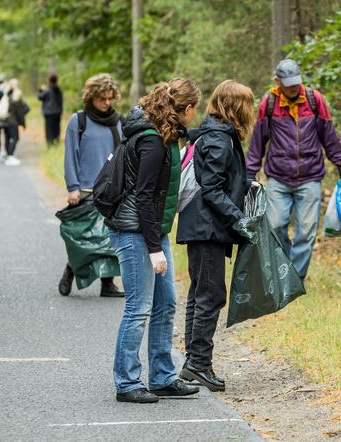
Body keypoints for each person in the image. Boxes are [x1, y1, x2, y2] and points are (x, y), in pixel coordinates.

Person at [107, 78, 201, 403]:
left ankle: (162, 377)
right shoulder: (153, 141)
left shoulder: (166, 135)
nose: (194, 117)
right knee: (138, 308)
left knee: (166, 303)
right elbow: (144, 196)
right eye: (194, 111)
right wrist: (153, 249)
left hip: (152, 230)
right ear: (186, 109)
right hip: (135, 232)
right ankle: (127, 382)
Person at [176, 80, 256, 392]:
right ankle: (198, 363)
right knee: (210, 295)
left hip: (200, 225)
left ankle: (192, 361)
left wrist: (247, 184)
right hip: (206, 227)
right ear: (236, 108)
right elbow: (211, 188)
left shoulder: (213, 133)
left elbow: (220, 179)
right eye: (247, 105)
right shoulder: (219, 139)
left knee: (201, 293)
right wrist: (239, 219)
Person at [246, 58, 341, 280]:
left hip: (310, 176)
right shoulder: (270, 103)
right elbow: (258, 140)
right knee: (275, 226)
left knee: (306, 232)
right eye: (289, 83)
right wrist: (250, 170)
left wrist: (340, 163)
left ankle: (294, 278)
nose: (294, 87)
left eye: (296, 82)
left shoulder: (314, 100)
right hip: (278, 177)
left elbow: (328, 135)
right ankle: (285, 268)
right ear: (278, 81)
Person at [58, 73, 124, 298]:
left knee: (109, 238)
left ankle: (108, 284)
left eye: (109, 98)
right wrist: (72, 187)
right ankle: (70, 270)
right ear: (91, 97)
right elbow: (71, 156)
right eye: (102, 99)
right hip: (85, 189)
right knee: (85, 238)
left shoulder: (119, 122)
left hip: (111, 191)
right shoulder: (79, 121)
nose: (107, 103)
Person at [0, 79, 29, 166]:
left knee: (8, 137)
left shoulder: (7, 94)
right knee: (15, 138)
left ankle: (8, 155)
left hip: (6, 119)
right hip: (13, 120)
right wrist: (22, 123)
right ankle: (10, 156)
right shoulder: (16, 96)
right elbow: (19, 112)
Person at [38, 74, 63, 146]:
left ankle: (50, 143)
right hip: (57, 112)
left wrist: (41, 89)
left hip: (49, 113)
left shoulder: (47, 90)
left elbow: (39, 97)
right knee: (56, 127)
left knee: (49, 129)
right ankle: (56, 141)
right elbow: (61, 101)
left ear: (49, 81)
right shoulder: (58, 90)